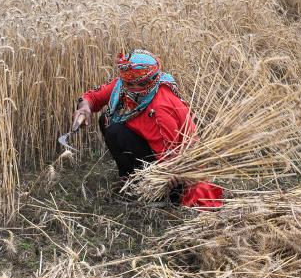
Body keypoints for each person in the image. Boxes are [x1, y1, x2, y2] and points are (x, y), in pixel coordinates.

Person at [72, 49, 223, 208]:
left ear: (153, 78)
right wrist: (84, 108)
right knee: (107, 119)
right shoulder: (122, 86)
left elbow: (173, 155)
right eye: (130, 84)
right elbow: (93, 97)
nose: (136, 88)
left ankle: (145, 189)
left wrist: (170, 176)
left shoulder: (160, 109)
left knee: (115, 131)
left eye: (142, 83)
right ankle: (130, 179)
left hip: (176, 167)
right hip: (156, 149)